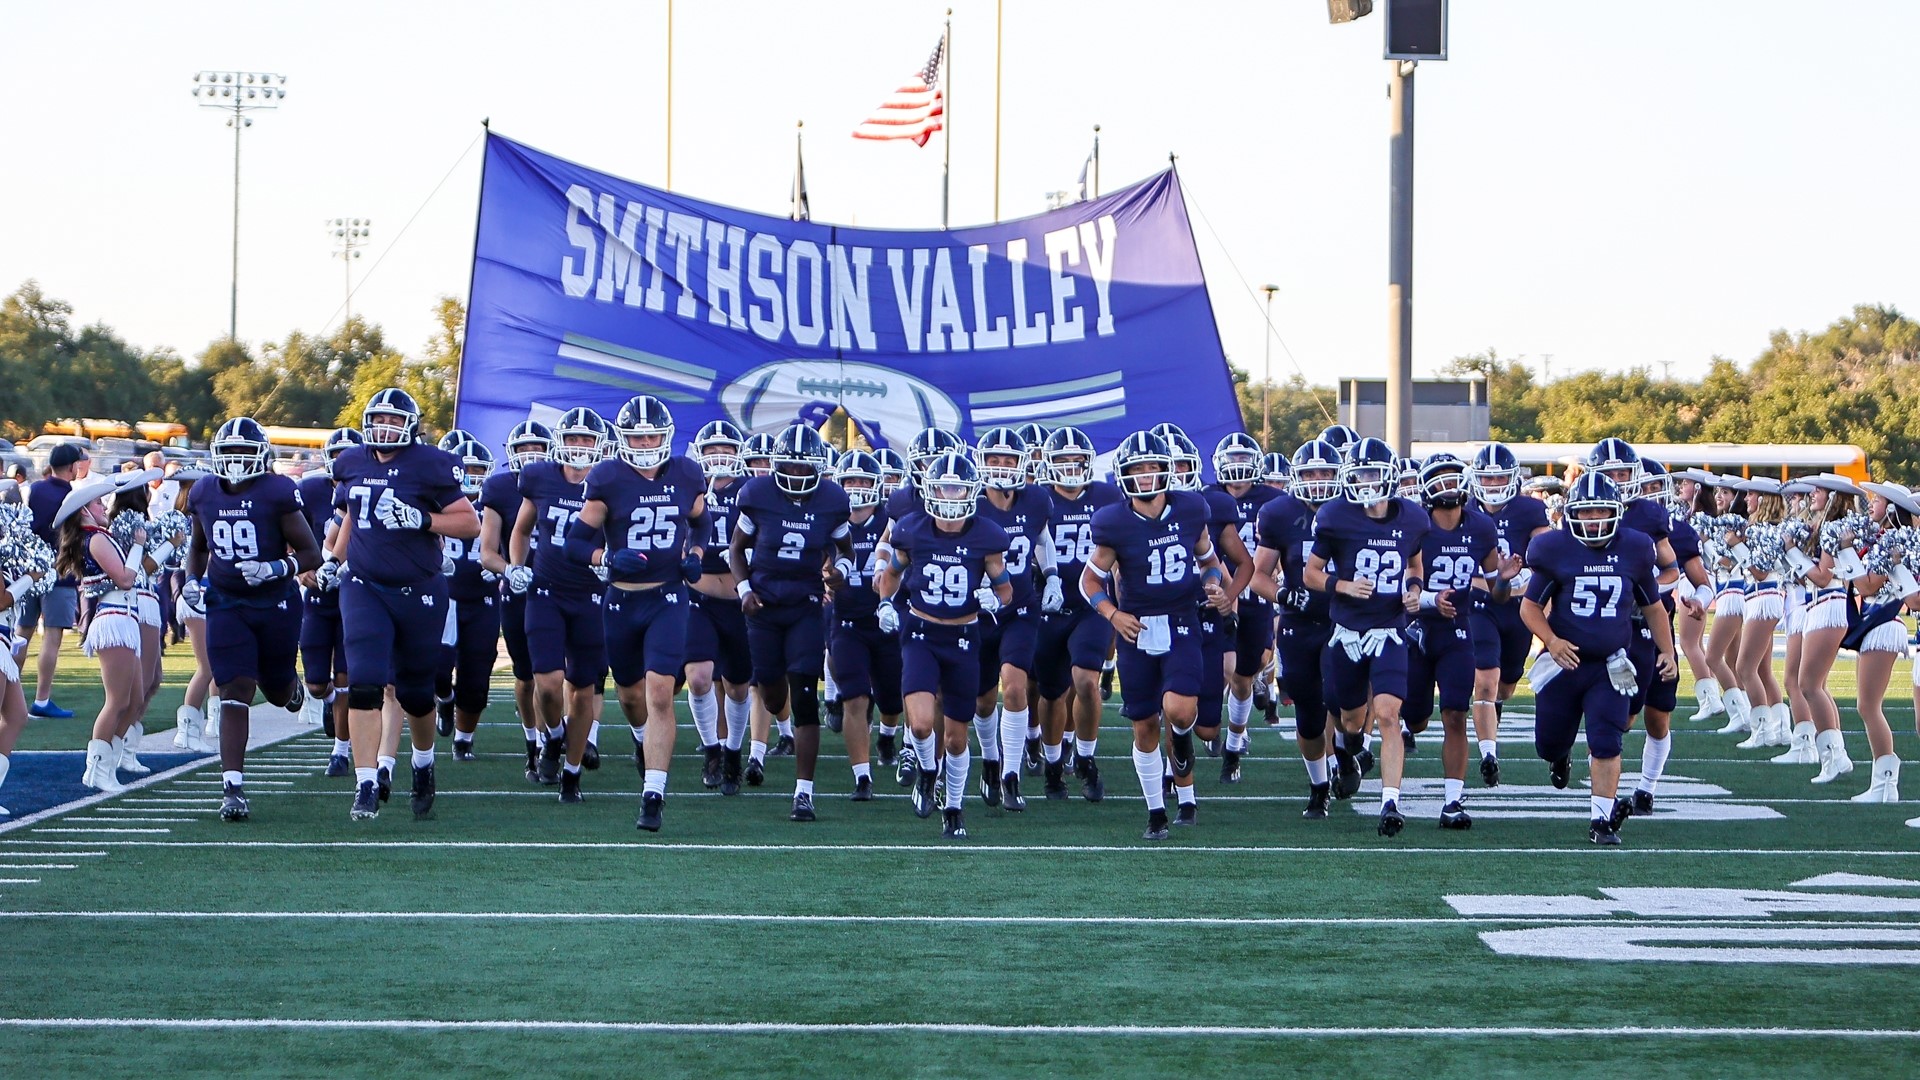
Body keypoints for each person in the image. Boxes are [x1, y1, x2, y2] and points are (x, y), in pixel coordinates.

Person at [329, 388, 480, 821]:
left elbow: (469, 522)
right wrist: (332, 560)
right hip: (364, 585)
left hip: (420, 589)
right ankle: (366, 782)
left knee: (415, 693)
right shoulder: (352, 462)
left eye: (395, 420)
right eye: (380, 418)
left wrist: (423, 519)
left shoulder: (430, 464)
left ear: (410, 426)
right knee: (365, 682)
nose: (386, 427)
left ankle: (423, 762)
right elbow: (356, 516)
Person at [571, 397, 708, 828]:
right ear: (623, 438)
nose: (646, 443)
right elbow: (575, 543)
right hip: (621, 600)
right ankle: (639, 738)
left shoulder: (686, 472)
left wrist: (696, 552)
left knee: (660, 693)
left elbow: (702, 520)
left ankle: (653, 794)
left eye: (652, 435)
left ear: (666, 436)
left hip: (668, 596)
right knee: (630, 697)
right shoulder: (608, 477)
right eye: (637, 435)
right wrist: (605, 558)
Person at [1083, 431, 1227, 840]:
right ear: (1123, 475)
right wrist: (1112, 614)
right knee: (1145, 723)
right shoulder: (1113, 521)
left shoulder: (1191, 508)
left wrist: (1213, 582)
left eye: (1152, 467)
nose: (1145, 476)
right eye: (1136, 469)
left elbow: (1208, 560)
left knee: (1180, 711)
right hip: (1138, 626)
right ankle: (1156, 812)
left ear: (1168, 470)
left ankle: (1181, 741)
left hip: (1182, 618)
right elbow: (1089, 581)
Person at [1520, 472, 1675, 845]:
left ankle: (1601, 820)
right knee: (1549, 743)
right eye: (1586, 512)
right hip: (1564, 662)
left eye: (1600, 511)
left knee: (1607, 740)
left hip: (1610, 664)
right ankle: (1560, 758)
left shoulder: (1634, 548)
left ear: (1616, 511)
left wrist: (1668, 651)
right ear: (1572, 514)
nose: (1593, 520)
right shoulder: (1554, 549)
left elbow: (1653, 608)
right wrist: (1552, 641)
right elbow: (1529, 607)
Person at [185, 418, 322, 820]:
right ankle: (233, 788)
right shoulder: (205, 492)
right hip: (226, 602)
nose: (236, 463)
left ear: (262, 456)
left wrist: (275, 568)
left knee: (277, 691)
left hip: (275, 601)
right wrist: (192, 580)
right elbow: (198, 545)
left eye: (244, 454)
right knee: (234, 686)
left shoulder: (277, 491)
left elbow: (311, 554)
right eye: (229, 454)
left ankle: (291, 687)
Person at [875, 451, 1012, 839]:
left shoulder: (986, 535)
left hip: (964, 637)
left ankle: (953, 807)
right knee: (920, 725)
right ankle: (927, 770)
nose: (950, 496)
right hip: (920, 633)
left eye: (957, 488)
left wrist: (993, 599)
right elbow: (891, 575)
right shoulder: (911, 529)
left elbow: (1005, 588)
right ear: (930, 490)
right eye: (944, 488)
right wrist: (885, 603)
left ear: (970, 492)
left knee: (955, 736)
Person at [728, 424, 855, 823]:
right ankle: (777, 725)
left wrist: (841, 572)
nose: (798, 475)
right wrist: (744, 590)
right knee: (769, 692)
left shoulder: (832, 499)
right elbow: (736, 549)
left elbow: (844, 548)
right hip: (763, 606)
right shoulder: (758, 495)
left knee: (802, 692)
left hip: (805, 604)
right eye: (791, 467)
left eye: (805, 468)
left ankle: (804, 792)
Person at [1402, 454, 1508, 829]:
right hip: (1416, 629)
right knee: (1415, 720)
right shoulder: (1413, 524)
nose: (1448, 485)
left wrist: (1505, 579)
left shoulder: (1481, 528)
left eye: (1453, 477)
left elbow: (1497, 592)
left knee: (1455, 714)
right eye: (1441, 478)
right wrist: (1431, 600)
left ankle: (1452, 802)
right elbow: (1397, 582)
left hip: (1457, 632)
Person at [511, 408, 613, 800]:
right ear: (561, 441)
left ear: (599, 443)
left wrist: (611, 564)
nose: (580, 446)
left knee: (583, 691)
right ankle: (553, 736)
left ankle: (571, 774)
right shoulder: (540, 478)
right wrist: (516, 566)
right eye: (574, 438)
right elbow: (521, 529)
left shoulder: (610, 482)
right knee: (549, 684)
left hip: (590, 595)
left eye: (588, 439)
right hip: (546, 591)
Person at [1251, 438, 1344, 818]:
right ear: (1296, 477)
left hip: (1347, 622)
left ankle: (1350, 752)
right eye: (1311, 473)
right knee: (1309, 712)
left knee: (1344, 699)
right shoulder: (1278, 514)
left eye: (1326, 472)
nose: (1319, 480)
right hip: (1300, 624)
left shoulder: (1355, 508)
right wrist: (1286, 596)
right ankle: (1319, 785)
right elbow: (1258, 577)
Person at [969, 426, 1056, 811]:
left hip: (1020, 607)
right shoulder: (968, 503)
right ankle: (990, 758)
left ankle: (1011, 774)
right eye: (994, 459)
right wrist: (975, 590)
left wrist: (1051, 575)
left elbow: (1042, 539)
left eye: (1008, 460)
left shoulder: (1035, 499)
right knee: (984, 699)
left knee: (1016, 686)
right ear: (982, 464)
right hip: (978, 610)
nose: (1002, 467)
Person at [1032, 427, 1121, 801]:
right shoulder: (1036, 500)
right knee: (1052, 694)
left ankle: (1085, 759)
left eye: (1077, 460)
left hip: (1091, 607)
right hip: (1047, 607)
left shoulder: (1108, 496)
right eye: (1063, 460)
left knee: (1086, 680)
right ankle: (1053, 766)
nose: (1070, 468)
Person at [1467, 441, 1553, 786]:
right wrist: (1490, 579)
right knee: (1484, 681)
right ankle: (1489, 754)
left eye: (1498, 478)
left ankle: (1494, 713)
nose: (1491, 485)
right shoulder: (1467, 509)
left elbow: (1548, 549)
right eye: (1485, 479)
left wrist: (1530, 574)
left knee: (1507, 683)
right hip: (1480, 602)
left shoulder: (1529, 510)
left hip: (1518, 604)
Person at [52, 473, 142, 793]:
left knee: (133, 699)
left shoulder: (99, 535)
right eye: (97, 502)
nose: (104, 505)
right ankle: (97, 770)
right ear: (83, 511)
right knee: (117, 700)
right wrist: (139, 547)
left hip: (123, 616)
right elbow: (125, 579)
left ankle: (108, 764)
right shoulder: (97, 538)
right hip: (114, 618)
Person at [679, 420, 756, 794]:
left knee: (739, 686)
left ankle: (733, 752)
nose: (719, 456)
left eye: (725, 448)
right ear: (699, 453)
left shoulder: (752, 491)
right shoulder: (688, 489)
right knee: (698, 676)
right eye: (712, 449)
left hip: (740, 599)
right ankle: (712, 748)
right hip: (697, 597)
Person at [479, 420, 554, 781]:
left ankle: (554, 741)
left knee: (555, 674)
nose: (530, 454)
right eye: (523, 448)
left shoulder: (568, 480)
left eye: (536, 447)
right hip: (520, 590)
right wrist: (511, 570)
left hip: (561, 591)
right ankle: (533, 744)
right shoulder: (499, 488)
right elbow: (487, 552)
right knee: (525, 677)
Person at [825, 450, 897, 802]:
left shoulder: (892, 519)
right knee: (855, 696)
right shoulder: (829, 520)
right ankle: (862, 777)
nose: (856, 488)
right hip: (848, 621)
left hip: (888, 623)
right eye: (850, 481)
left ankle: (888, 734)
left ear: (877, 485)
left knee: (893, 699)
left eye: (863, 481)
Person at [437, 441, 506, 763]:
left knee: (476, 675)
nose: (470, 476)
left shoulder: (496, 504)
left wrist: (505, 568)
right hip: (443, 597)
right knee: (437, 668)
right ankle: (444, 697)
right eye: (465, 469)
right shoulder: (433, 499)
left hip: (483, 599)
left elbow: (516, 543)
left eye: (477, 469)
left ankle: (464, 740)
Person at [302, 428, 362, 775]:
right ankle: (326, 703)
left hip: (356, 593)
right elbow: (288, 533)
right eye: (337, 453)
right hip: (318, 594)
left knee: (345, 679)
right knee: (317, 683)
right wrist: (299, 570)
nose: (341, 461)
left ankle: (340, 751)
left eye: (348, 454)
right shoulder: (309, 490)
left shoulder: (369, 488)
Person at [22, 442, 89, 719]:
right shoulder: (72, 496)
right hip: (60, 573)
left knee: (20, 636)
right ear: (72, 466)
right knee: (51, 637)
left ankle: (5, 696)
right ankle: (41, 700)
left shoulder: (34, 489)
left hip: (29, 571)